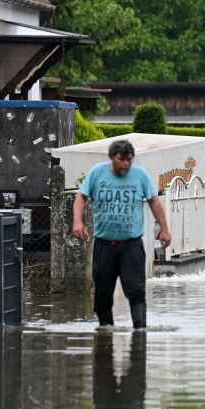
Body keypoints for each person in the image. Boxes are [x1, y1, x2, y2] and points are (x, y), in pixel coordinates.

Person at [72, 138, 171, 328]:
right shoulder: (97, 173)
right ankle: (105, 331)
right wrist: (77, 221)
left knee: (136, 290)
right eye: (121, 160)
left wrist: (164, 229)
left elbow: (154, 201)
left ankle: (140, 332)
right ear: (112, 158)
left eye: (129, 160)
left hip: (131, 245)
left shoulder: (139, 175)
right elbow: (81, 196)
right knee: (102, 293)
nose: (126, 164)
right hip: (103, 244)